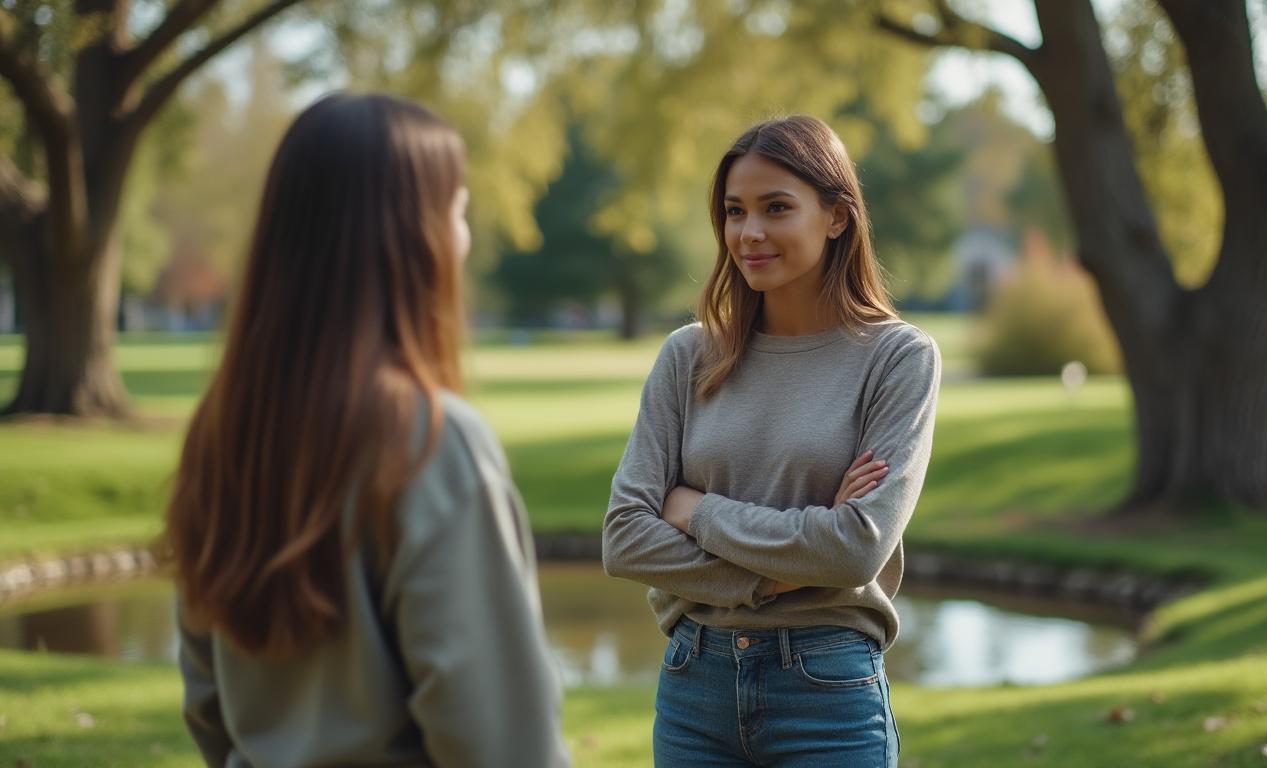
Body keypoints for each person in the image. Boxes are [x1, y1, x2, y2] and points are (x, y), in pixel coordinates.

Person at [164, 93, 568, 768]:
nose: (463, 238)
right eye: (458, 212)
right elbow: (502, 744)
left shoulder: (223, 434)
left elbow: (208, 705)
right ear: (415, 237)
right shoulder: (432, 443)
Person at [603, 115, 940, 767]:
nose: (749, 232)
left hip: (828, 694)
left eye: (776, 208)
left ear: (836, 216)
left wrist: (694, 512)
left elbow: (854, 551)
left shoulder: (898, 358)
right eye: (735, 211)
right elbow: (624, 538)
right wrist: (784, 571)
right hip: (693, 689)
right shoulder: (688, 355)